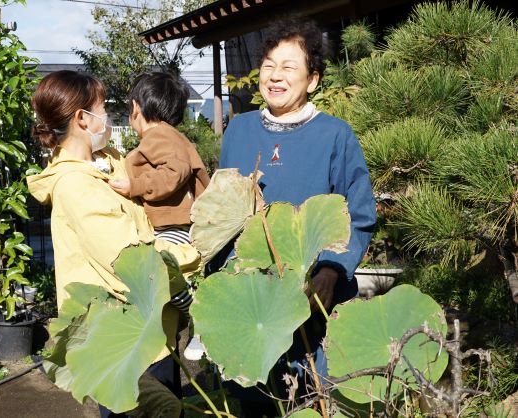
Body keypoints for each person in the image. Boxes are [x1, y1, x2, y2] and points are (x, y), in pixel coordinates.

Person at [215, 18, 376, 413]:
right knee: (252, 401)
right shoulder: (239, 130)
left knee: (311, 399)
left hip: (313, 299)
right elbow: (221, 208)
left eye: (288, 67)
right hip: (250, 301)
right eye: (269, 65)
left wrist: (332, 269)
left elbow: (359, 214)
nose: (275, 76)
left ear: (313, 79)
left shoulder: (335, 135)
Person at [26, 70, 200, 418]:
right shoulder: (77, 185)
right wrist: (196, 252)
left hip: (150, 333)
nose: (108, 117)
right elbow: (131, 263)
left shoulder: (107, 162)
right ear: (82, 118)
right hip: (125, 342)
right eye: (102, 108)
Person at [108, 72, 211, 360]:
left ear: (135, 107)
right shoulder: (166, 136)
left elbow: (174, 172)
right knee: (169, 278)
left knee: (164, 274)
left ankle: (202, 319)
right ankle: (191, 320)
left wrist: (135, 185)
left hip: (177, 223)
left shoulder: (159, 135)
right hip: (175, 221)